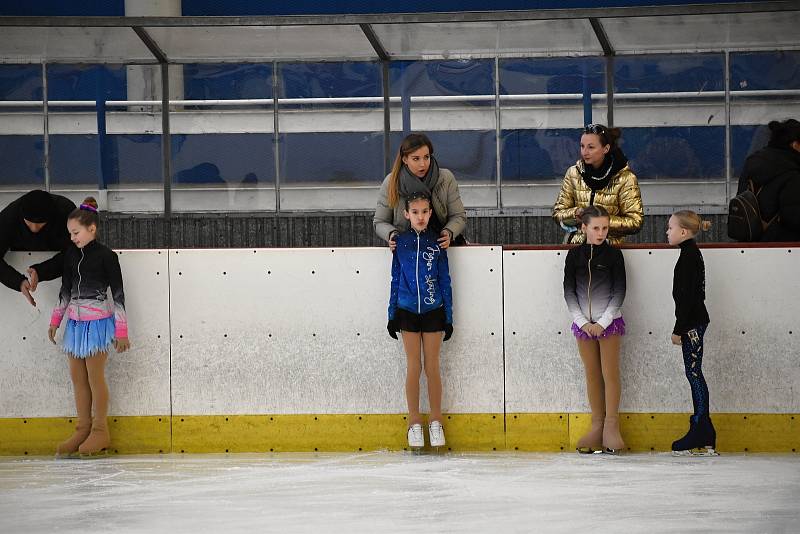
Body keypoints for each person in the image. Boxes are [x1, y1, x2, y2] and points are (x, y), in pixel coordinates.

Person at [48, 197, 130, 457]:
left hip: (97, 326)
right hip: (74, 325)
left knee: (95, 378)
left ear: (91, 229)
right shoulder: (70, 256)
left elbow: (118, 294)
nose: (72, 238)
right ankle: (82, 429)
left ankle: (100, 431)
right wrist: (55, 321)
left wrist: (122, 331)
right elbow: (65, 291)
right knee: (78, 379)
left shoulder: (107, 257)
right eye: (69, 234)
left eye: (76, 233)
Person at [386, 191, 453, 450]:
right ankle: (414, 422)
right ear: (406, 214)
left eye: (425, 211)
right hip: (407, 311)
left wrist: (448, 316)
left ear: (430, 213)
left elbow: (445, 280)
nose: (420, 216)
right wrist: (392, 314)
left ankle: (436, 420)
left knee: (432, 367)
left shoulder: (437, 243)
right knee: (414, 366)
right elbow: (395, 279)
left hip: (434, 310)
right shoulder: (399, 242)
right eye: (415, 212)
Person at [563, 205, 627, 454]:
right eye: (596, 228)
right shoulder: (574, 257)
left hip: (608, 325)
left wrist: (603, 322)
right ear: (584, 228)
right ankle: (597, 425)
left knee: (610, 373)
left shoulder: (613, 256)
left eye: (605, 228)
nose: (601, 233)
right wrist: (583, 323)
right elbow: (569, 292)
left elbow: (619, 292)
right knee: (592, 374)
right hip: (584, 327)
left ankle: (612, 427)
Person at [666, 210, 717, 456]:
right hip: (694, 322)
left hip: (692, 324)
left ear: (683, 232)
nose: (668, 232)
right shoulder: (690, 254)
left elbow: (687, 297)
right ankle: (703, 429)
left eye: (670, 228)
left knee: (694, 373)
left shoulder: (688, 257)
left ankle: (701, 428)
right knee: (694, 373)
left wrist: (679, 329)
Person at [374, 133, 467, 251]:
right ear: (405, 159)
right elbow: (380, 222)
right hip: (406, 251)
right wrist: (392, 235)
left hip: (442, 249)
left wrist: (448, 232)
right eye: (416, 159)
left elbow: (458, 216)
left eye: (426, 157)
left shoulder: (446, 178)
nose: (422, 164)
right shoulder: (391, 182)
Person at [553, 124, 643, 244]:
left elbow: (635, 221)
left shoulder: (626, 178)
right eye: (582, 146)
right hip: (577, 249)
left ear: (605, 149)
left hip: (610, 251)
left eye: (591, 147)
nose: (585, 152)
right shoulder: (573, 173)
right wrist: (576, 213)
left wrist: (599, 222)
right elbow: (558, 213)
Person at [0, 190, 75, 306]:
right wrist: (17, 282)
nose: (34, 228)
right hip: (22, 253)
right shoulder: (9, 216)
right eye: (29, 223)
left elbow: (76, 251)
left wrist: (41, 271)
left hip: (57, 254)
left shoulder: (66, 211)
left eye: (40, 223)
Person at [737, 119, 800, 241]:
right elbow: (794, 216)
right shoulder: (792, 172)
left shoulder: (753, 161)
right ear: (795, 145)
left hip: (749, 241)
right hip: (782, 245)